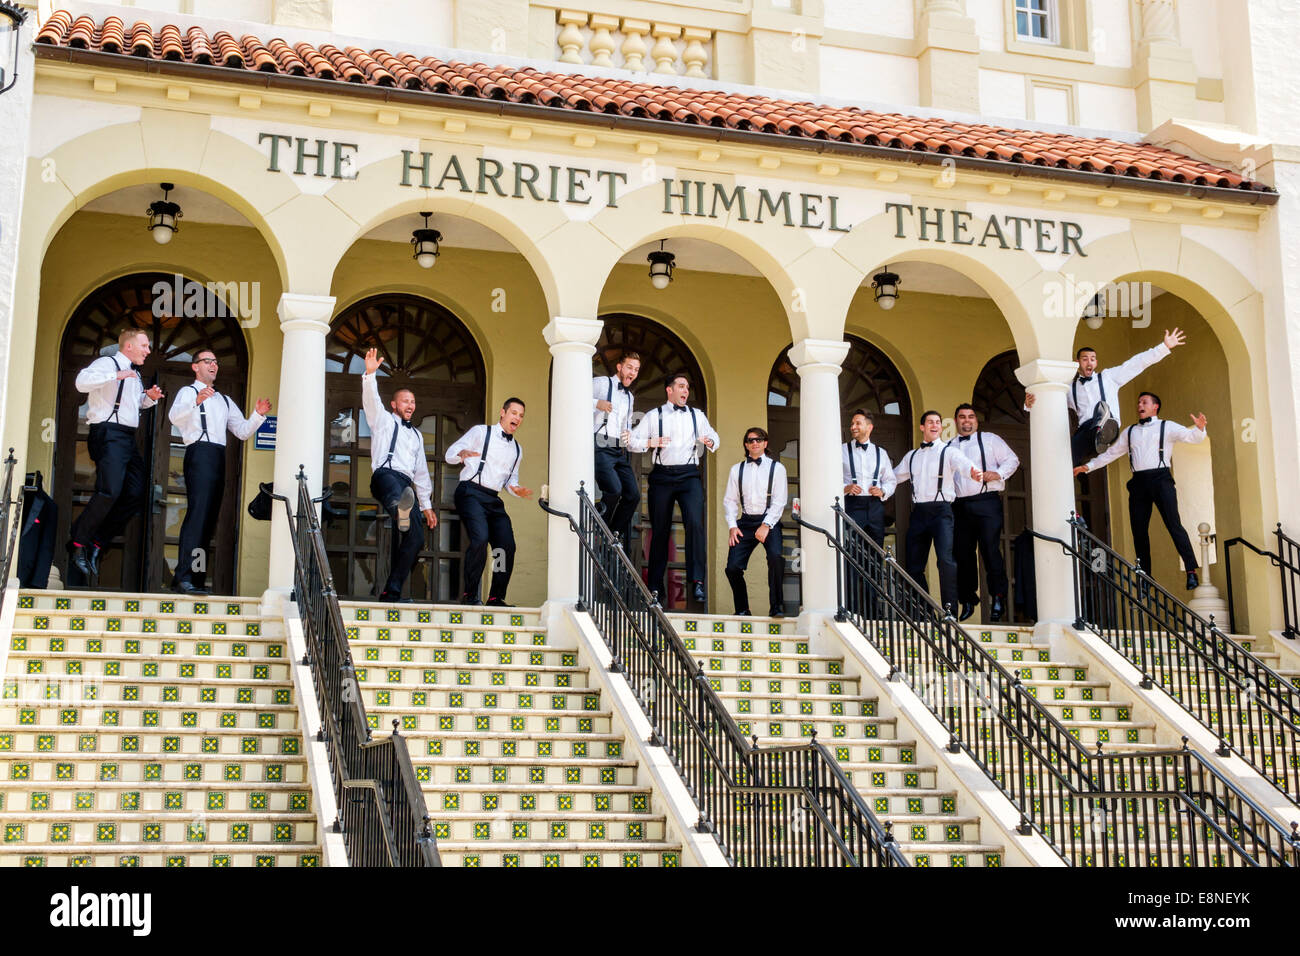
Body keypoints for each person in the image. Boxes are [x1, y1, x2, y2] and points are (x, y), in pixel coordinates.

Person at [1074, 392, 1207, 590]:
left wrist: (1200, 429)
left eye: (1144, 402)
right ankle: (1145, 577)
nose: (1140, 405)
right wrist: (1089, 466)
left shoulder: (1167, 426)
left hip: (1161, 479)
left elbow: (1191, 437)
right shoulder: (1130, 431)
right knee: (1139, 531)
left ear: (1155, 406)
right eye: (1138, 402)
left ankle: (1191, 571)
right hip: (1139, 482)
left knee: (1174, 525)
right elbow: (1112, 453)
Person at [167, 348, 271, 595]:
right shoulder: (188, 392)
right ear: (195, 366)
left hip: (218, 457)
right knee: (197, 515)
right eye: (207, 361)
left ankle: (197, 577)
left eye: (215, 361)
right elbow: (173, 416)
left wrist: (258, 415)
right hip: (198, 454)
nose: (213, 365)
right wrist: (196, 401)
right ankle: (182, 577)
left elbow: (243, 431)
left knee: (208, 521)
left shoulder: (224, 400)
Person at [67, 328, 165, 579]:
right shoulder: (107, 363)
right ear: (129, 346)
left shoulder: (135, 373)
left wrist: (149, 397)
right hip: (108, 434)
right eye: (144, 345)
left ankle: (97, 542)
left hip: (126, 439)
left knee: (136, 493)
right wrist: (115, 375)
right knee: (109, 491)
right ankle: (78, 544)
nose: (148, 350)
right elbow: (81, 382)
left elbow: (131, 404)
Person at [627, 372, 720, 605]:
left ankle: (697, 582)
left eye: (687, 387)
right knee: (660, 530)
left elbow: (714, 437)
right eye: (681, 386)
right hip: (662, 477)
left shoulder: (697, 415)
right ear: (669, 390)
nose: (685, 391)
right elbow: (631, 441)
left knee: (695, 525)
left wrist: (710, 441)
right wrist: (650, 443)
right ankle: (656, 587)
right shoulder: (653, 416)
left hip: (689, 476)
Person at [358, 348, 436, 602]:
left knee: (416, 538)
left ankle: (391, 591)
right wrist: (370, 375)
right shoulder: (383, 421)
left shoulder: (416, 435)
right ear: (394, 404)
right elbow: (371, 402)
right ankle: (400, 511)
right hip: (385, 476)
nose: (410, 405)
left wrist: (427, 507)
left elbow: (422, 473)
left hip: (406, 485)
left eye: (413, 402)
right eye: (405, 401)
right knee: (401, 502)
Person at [893, 410, 982, 614]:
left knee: (945, 560)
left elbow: (964, 464)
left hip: (941, 512)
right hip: (919, 512)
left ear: (941, 427)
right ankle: (922, 611)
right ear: (922, 427)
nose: (934, 425)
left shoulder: (948, 452)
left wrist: (973, 472)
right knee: (914, 564)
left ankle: (948, 610)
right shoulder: (912, 456)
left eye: (937, 422)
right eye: (930, 422)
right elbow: (894, 477)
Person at [446, 398, 531, 606]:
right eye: (514, 413)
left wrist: (515, 489)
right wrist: (461, 454)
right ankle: (470, 594)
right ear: (502, 413)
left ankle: (495, 597)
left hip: (493, 499)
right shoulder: (480, 432)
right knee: (480, 539)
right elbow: (450, 455)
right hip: (470, 492)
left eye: (521, 416)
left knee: (505, 546)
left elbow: (510, 481)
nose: (517, 418)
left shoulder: (517, 450)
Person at [1062, 329, 1185, 465]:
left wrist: (1163, 347)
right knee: (1067, 457)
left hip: (1108, 426)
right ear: (1077, 362)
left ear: (1096, 363)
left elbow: (1136, 364)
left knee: (1100, 415)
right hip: (1085, 432)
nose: (1089, 363)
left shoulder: (1108, 377)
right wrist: (1033, 402)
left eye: (1092, 359)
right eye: (1085, 359)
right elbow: (1050, 403)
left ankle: (1104, 425)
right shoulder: (1069, 388)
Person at [948, 403, 1020, 623]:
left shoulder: (990, 440)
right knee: (962, 553)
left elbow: (1013, 460)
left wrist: (997, 473)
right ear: (956, 421)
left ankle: (998, 597)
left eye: (971, 417)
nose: (966, 421)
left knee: (990, 549)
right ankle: (968, 598)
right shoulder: (949, 446)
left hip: (987, 503)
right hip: (959, 505)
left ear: (976, 421)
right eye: (962, 417)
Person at [723, 427, 788, 617]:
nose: (755, 443)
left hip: (770, 520)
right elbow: (730, 501)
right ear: (746, 444)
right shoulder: (737, 469)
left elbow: (779, 500)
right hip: (745, 522)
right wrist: (732, 526)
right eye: (750, 440)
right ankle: (742, 608)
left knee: (776, 558)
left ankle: (776, 607)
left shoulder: (777, 468)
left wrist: (766, 525)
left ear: (765, 443)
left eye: (759, 440)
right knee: (732, 567)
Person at [592, 351, 642, 547]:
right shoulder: (602, 383)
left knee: (633, 494)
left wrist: (628, 433)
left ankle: (614, 534)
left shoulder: (629, 396)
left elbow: (626, 423)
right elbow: (574, 397)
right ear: (619, 367)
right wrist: (597, 403)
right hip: (599, 443)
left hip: (618, 448)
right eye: (630, 367)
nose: (633, 372)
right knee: (614, 489)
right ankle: (597, 525)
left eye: (636, 370)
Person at [841, 409, 896, 547]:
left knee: (876, 548)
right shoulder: (841, 450)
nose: (853, 427)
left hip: (875, 507)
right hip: (851, 505)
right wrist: (845, 487)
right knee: (850, 549)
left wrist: (883, 491)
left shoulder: (881, 453)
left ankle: (875, 569)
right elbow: (830, 478)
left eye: (858, 423)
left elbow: (891, 480)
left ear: (869, 427)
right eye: (852, 423)